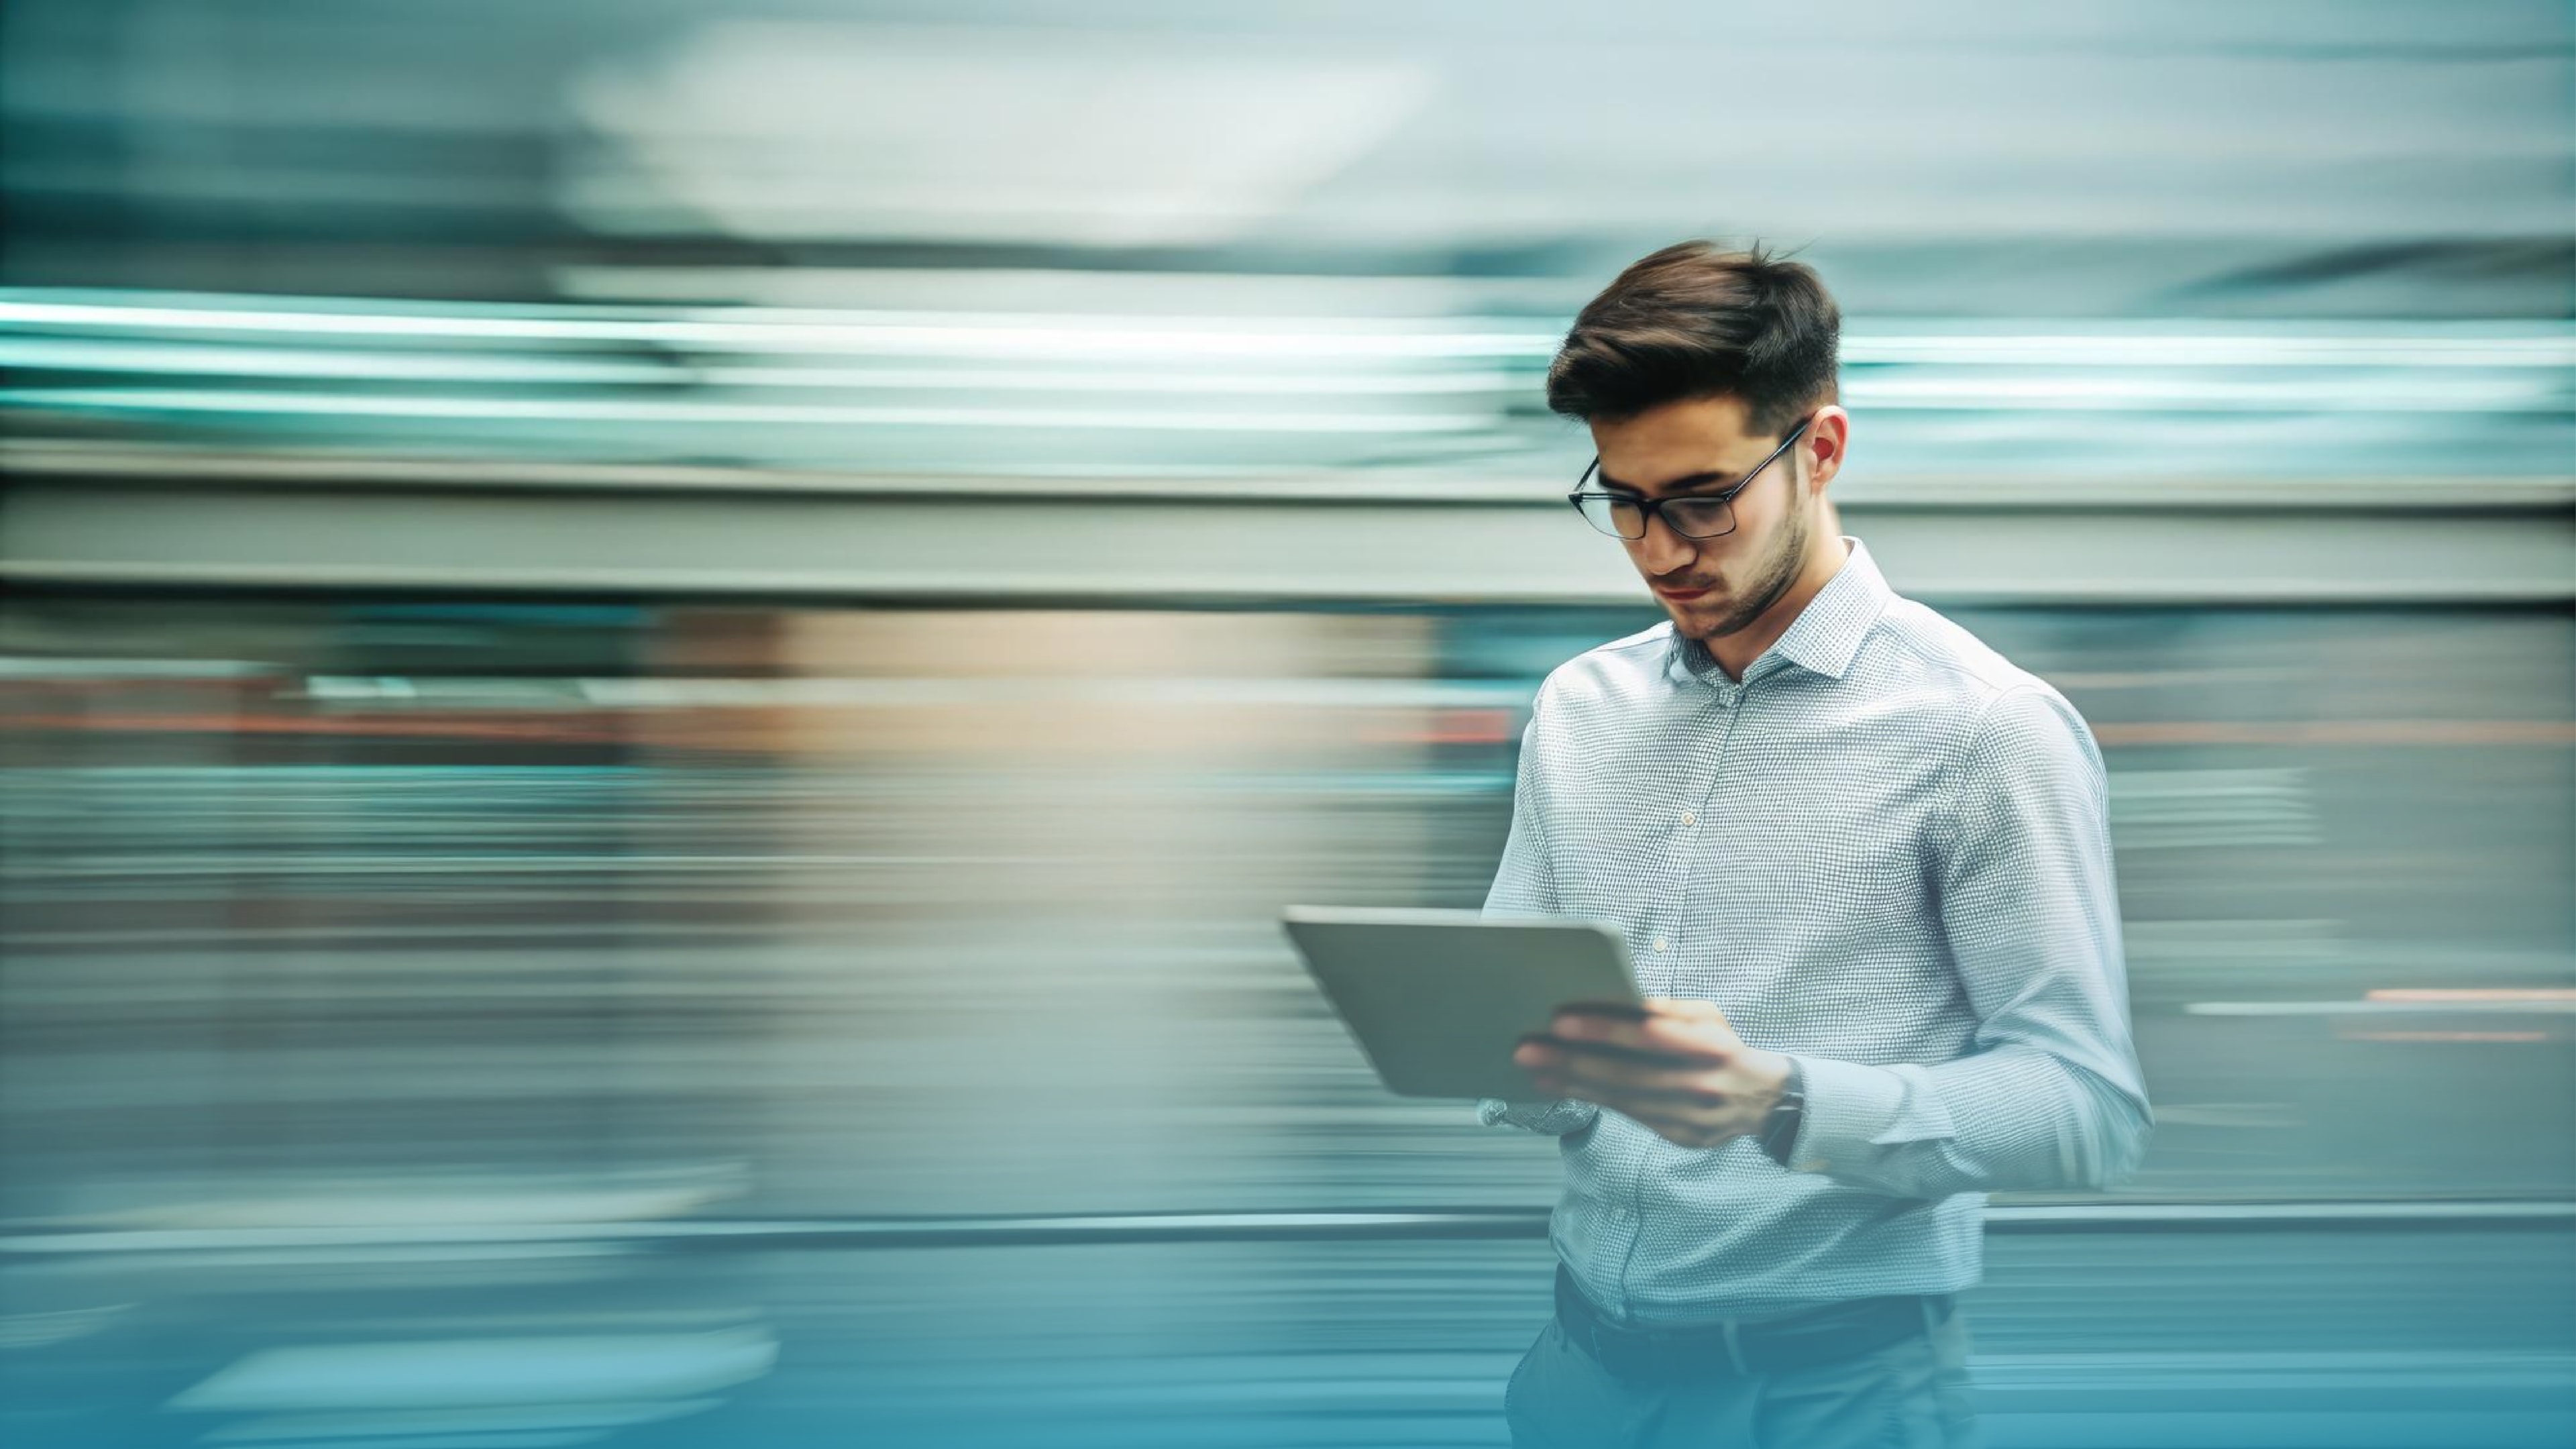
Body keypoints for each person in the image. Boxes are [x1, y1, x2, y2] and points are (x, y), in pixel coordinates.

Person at [1479, 242, 2151, 1448]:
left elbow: (2085, 1110)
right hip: (1581, 1376)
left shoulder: (1985, 729)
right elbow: (1528, 1051)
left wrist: (1781, 1101)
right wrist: (1521, 1068)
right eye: (1621, 502)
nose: (1658, 549)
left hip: (1835, 1398)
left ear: (1821, 451)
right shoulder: (1578, 709)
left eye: (1700, 498)